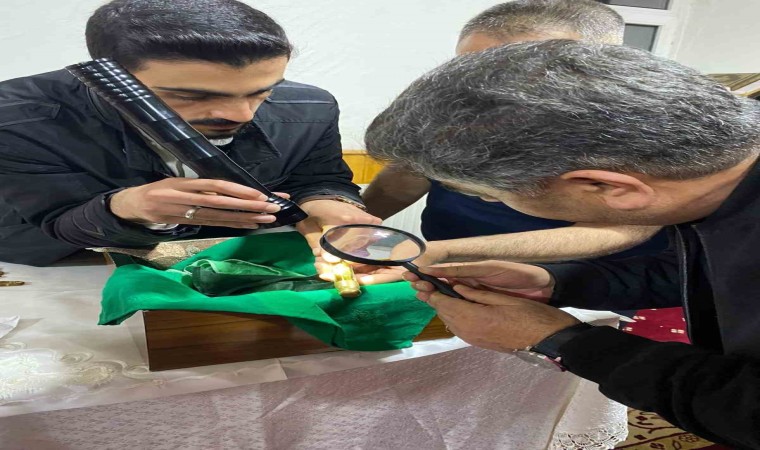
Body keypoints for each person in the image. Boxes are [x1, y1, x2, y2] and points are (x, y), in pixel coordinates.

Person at [364, 40, 760, 449]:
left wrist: (561, 340)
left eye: (489, 195)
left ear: (609, 187)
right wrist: (556, 282)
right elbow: (707, 272)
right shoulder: (724, 179)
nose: (491, 203)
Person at [0, 0, 379, 266]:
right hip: (66, 270)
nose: (240, 114)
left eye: (262, 92)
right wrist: (126, 208)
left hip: (234, 265)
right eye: (192, 96)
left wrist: (330, 204)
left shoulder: (310, 108)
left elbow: (317, 179)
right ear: (108, 80)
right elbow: (55, 219)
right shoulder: (19, 117)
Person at [362, 0, 667, 265]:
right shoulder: (457, 104)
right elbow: (408, 176)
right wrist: (356, 227)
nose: (484, 88)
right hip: (445, 265)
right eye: (468, 69)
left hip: (580, 284)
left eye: (517, 71)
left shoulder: (649, 127)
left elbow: (621, 230)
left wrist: (445, 252)